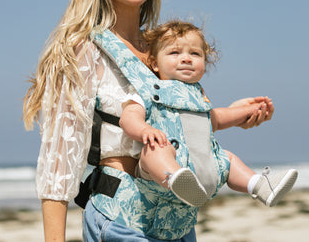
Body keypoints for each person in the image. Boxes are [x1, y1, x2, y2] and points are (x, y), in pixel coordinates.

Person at [23, 0, 276, 242]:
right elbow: (58, 161)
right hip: (122, 223)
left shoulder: (164, 52)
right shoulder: (83, 51)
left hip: (179, 228)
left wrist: (234, 115)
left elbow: (187, 125)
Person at [120, 20, 298, 207]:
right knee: (155, 150)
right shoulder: (149, 91)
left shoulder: (199, 97)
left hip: (204, 172)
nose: (186, 58)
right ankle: (176, 178)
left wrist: (249, 110)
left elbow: (217, 119)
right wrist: (143, 130)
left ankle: (259, 185)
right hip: (160, 174)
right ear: (155, 63)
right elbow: (129, 116)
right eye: (175, 52)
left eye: (195, 53)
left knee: (228, 158)